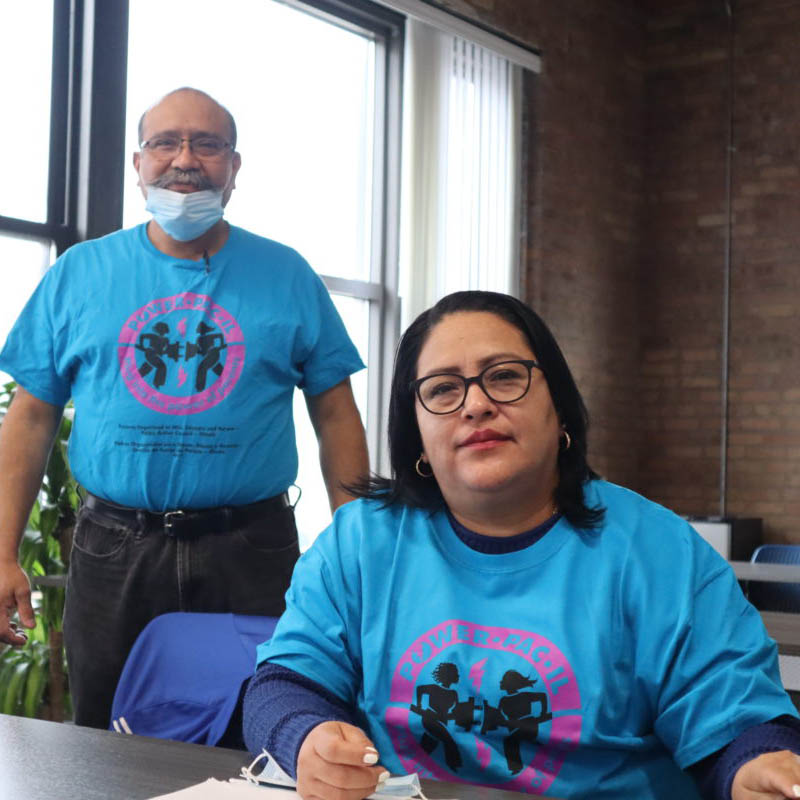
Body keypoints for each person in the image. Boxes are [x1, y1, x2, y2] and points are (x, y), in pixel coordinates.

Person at [243, 290, 800, 800]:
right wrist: (306, 737)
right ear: (416, 435)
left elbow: (736, 720)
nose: (476, 405)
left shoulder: (657, 550)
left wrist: (756, 765)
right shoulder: (359, 542)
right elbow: (285, 683)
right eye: (442, 389)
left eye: (505, 377)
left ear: (559, 405)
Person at [0, 87, 369, 729]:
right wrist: (2, 550)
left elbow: (336, 414)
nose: (185, 158)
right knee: (103, 742)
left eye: (208, 143)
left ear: (235, 167)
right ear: (137, 163)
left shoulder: (286, 274)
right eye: (165, 142)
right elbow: (30, 418)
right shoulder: (79, 273)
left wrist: (354, 548)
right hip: (115, 549)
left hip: (252, 548)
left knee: (265, 728)